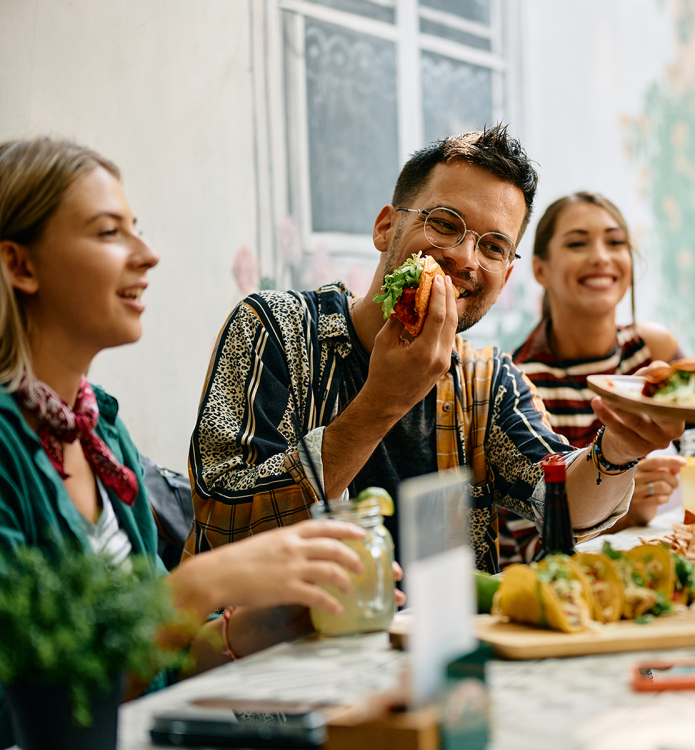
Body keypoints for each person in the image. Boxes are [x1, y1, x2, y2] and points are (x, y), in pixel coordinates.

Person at [0, 137, 403, 744]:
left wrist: (247, 630)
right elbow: (35, 702)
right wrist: (201, 584)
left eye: (137, 229)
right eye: (111, 233)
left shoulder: (99, 430)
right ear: (20, 265)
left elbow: (142, 677)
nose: (148, 254)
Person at [185, 126, 685, 573]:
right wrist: (383, 400)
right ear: (386, 227)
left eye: (493, 247)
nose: (464, 258)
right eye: (445, 224)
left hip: (440, 651)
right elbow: (227, 526)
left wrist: (618, 452)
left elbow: (562, 504)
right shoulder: (274, 327)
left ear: (506, 275)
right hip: (272, 652)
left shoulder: (487, 380)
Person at [495, 192, 695, 566]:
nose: (600, 256)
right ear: (540, 270)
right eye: (577, 243)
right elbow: (527, 552)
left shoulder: (654, 351)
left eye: (615, 242)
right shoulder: (519, 380)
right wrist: (622, 505)